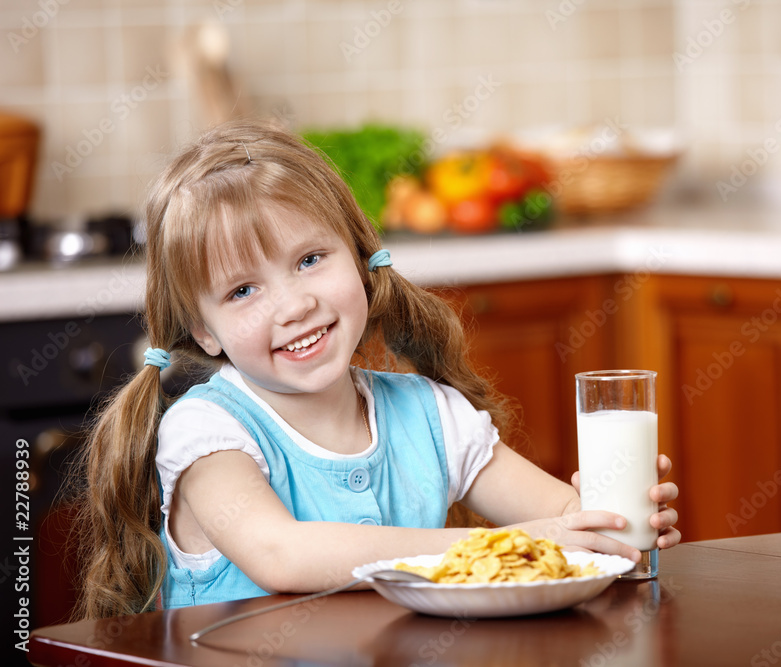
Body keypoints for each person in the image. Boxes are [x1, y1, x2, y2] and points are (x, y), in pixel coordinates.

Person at [72, 118, 681, 620]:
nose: (294, 304)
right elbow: (282, 555)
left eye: (310, 259)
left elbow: (564, 522)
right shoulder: (206, 433)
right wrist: (504, 547)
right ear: (203, 331)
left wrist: (613, 526)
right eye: (242, 291)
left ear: (362, 258)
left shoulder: (428, 414)